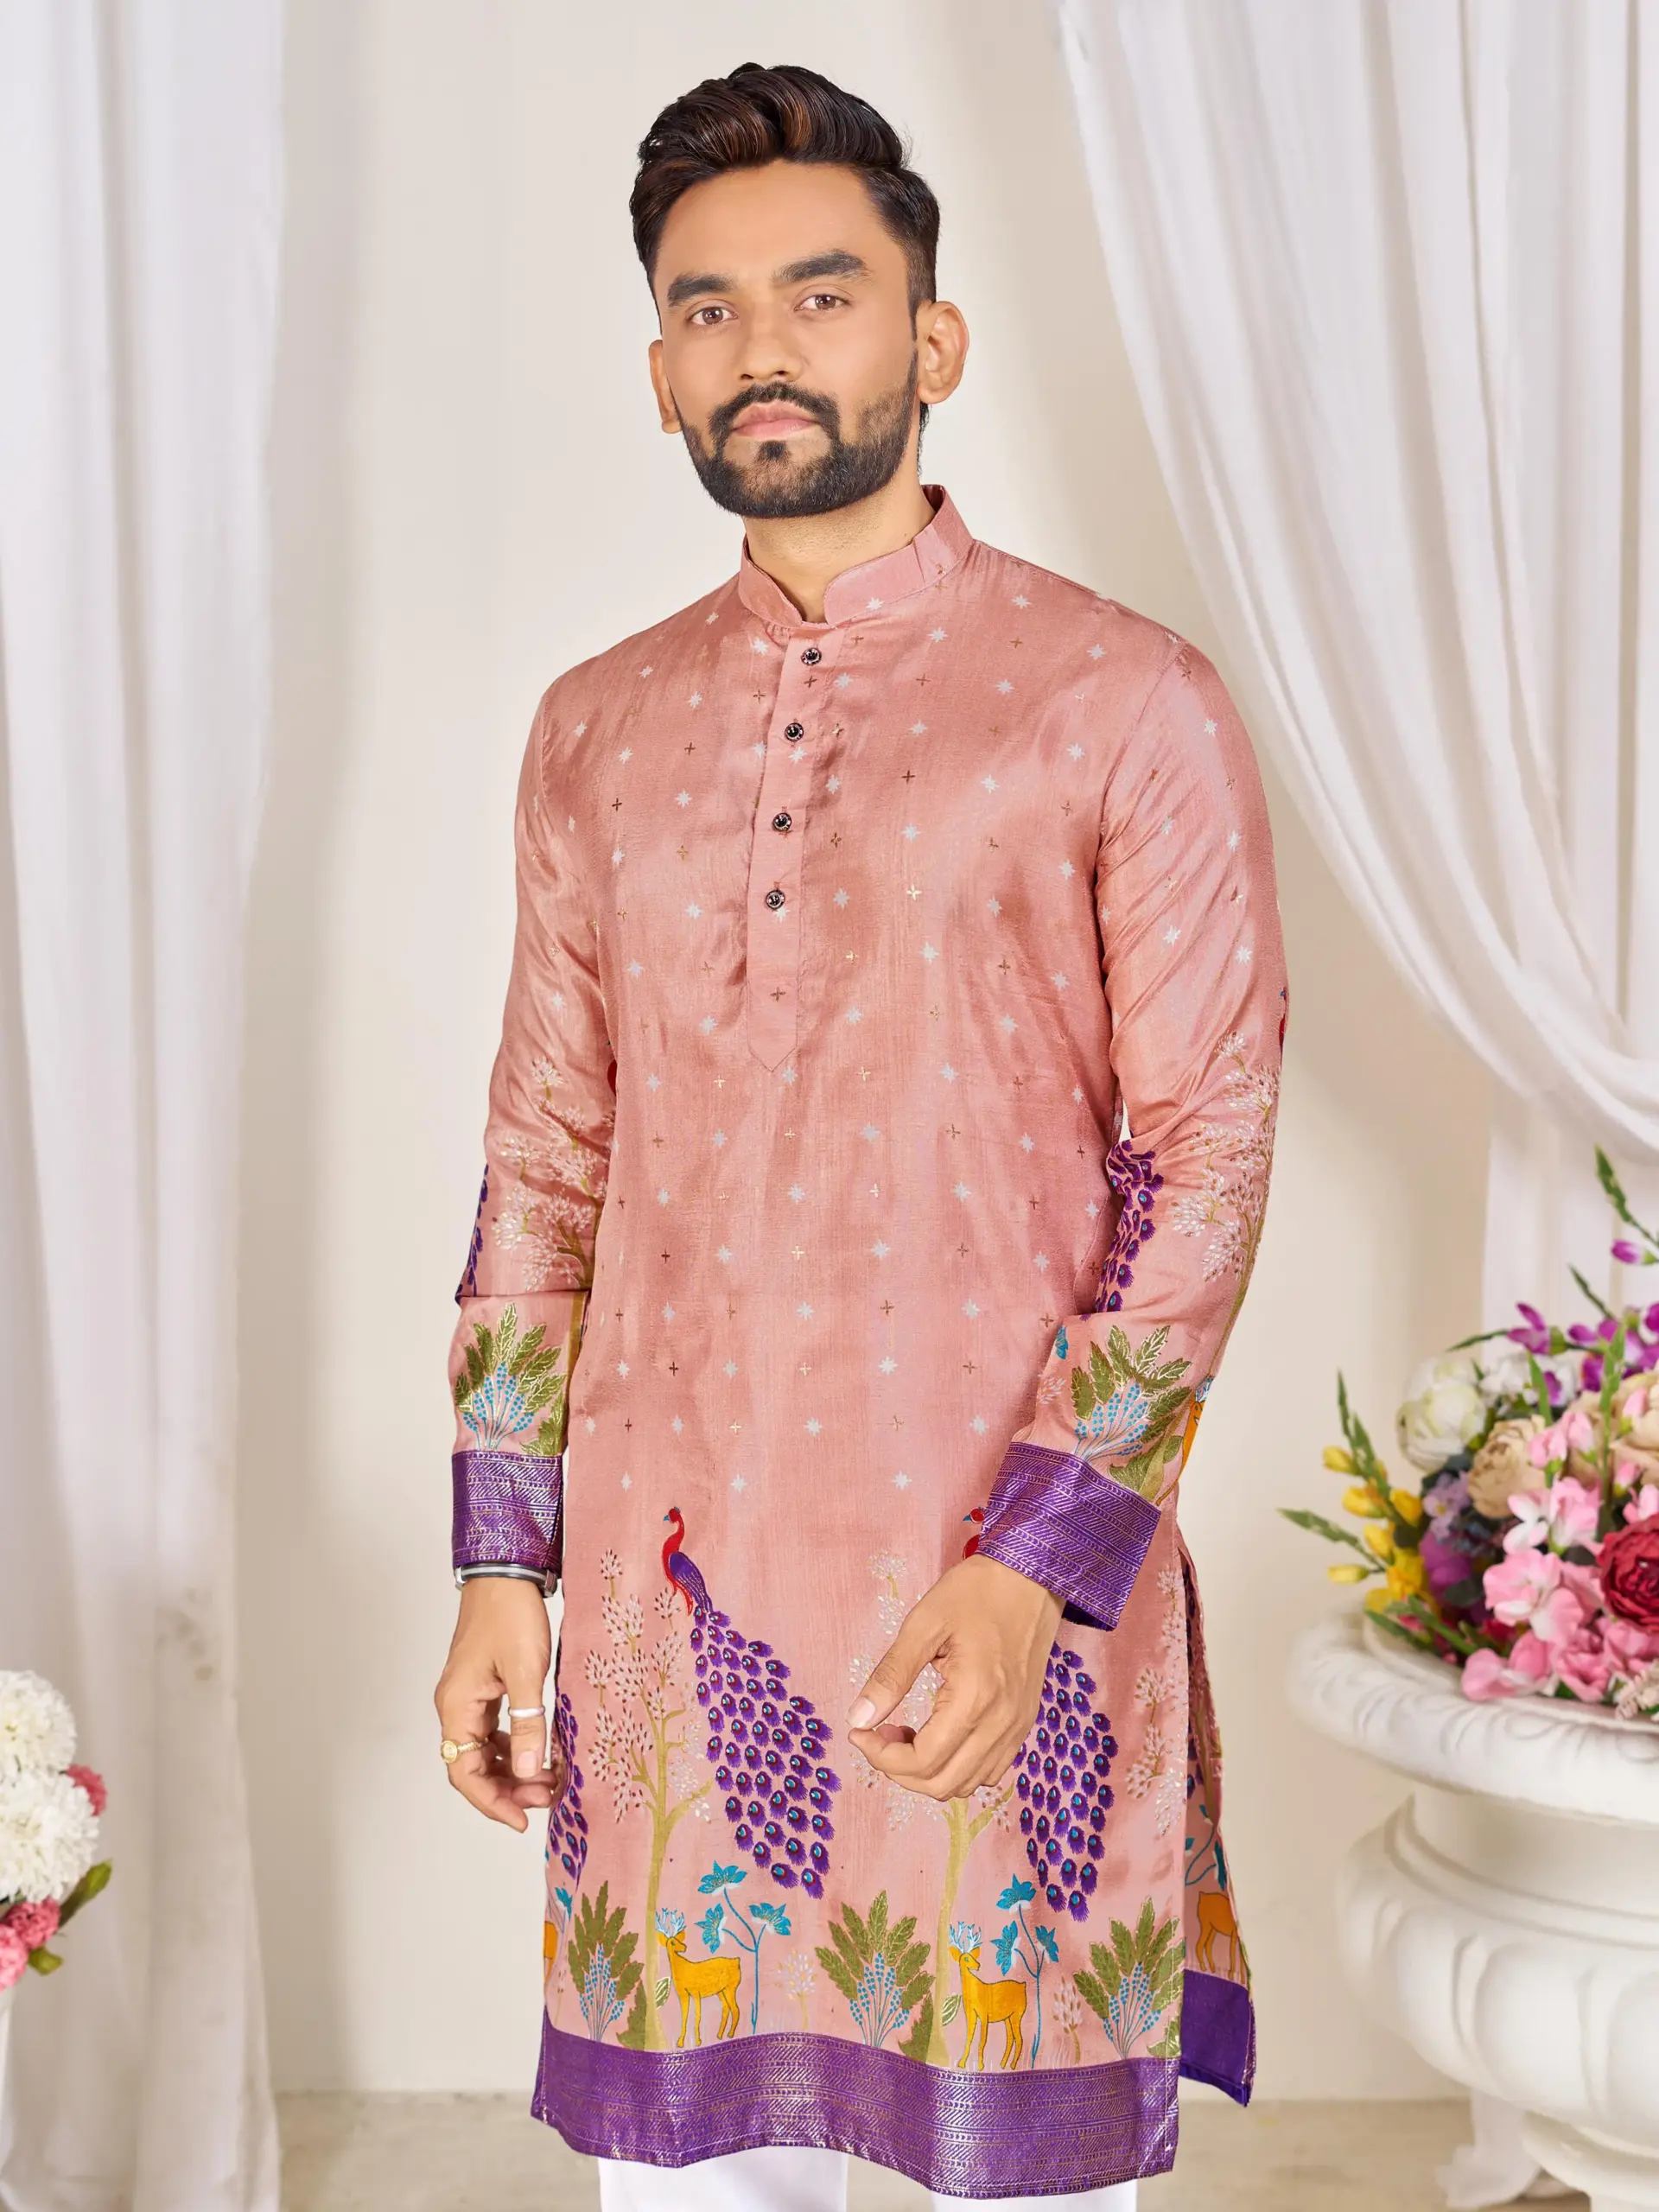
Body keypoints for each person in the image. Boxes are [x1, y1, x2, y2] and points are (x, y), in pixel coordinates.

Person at [433, 60, 1286, 2209]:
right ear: (658, 373)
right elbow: (542, 1158)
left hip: (990, 1588)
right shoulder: (593, 726)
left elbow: (1206, 1158)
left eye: (821, 295)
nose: (764, 347)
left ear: (935, 339)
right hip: (669, 1579)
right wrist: (500, 1562)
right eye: (707, 309)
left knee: (1019, 2149)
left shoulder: (1124, 698)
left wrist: (1034, 1568)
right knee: (692, 2180)